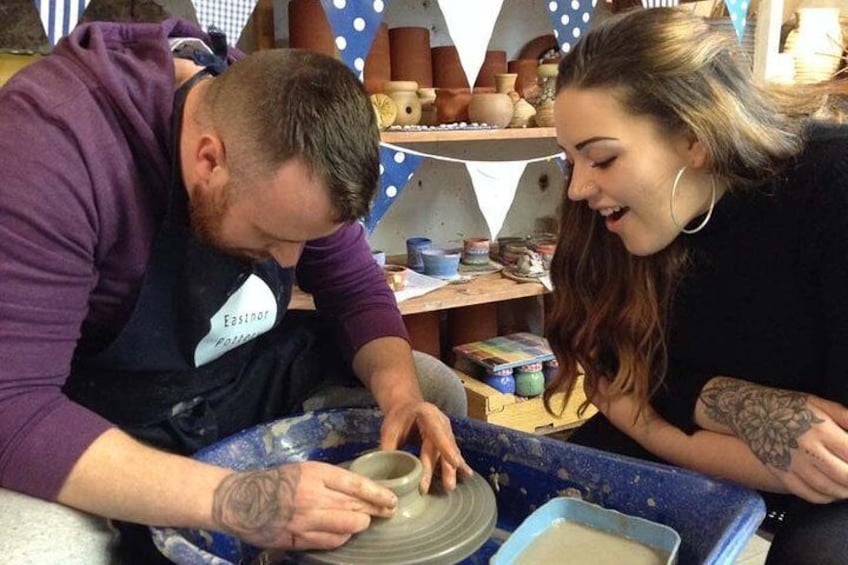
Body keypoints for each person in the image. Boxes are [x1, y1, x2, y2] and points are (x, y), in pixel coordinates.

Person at [0, 17, 472, 563]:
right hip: (100, 410)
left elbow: (355, 291)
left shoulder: (288, 127)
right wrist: (240, 499)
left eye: (304, 240)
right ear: (209, 159)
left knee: (433, 390)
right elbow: (14, 407)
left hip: (230, 377)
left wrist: (402, 399)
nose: (292, 261)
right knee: (32, 548)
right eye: (273, 236)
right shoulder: (49, 146)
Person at [544, 8, 848, 565]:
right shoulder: (605, 218)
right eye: (570, 160)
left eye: (602, 157)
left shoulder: (832, 184)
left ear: (694, 137)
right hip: (698, 440)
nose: (578, 187)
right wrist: (733, 408)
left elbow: (836, 459)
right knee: (563, 490)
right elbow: (611, 381)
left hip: (826, 490)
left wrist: (670, 406)